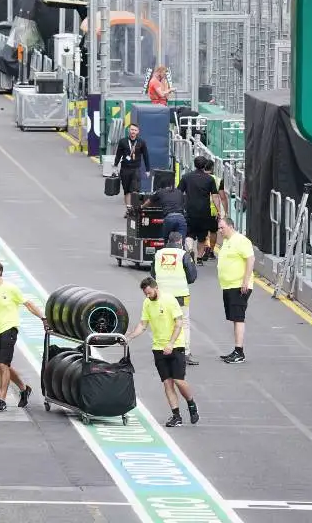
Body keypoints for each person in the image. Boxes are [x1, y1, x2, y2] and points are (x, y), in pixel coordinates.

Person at [0, 260, 47, 413]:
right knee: (5, 365)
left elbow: (28, 304)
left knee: (2, 366)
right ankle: (24, 389)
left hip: (9, 329)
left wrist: (43, 318)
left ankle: (2, 400)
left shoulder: (11, 289)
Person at [125, 276, 199, 427]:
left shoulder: (170, 300)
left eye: (149, 293)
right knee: (167, 383)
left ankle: (191, 404)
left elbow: (179, 323)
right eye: (145, 294)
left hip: (175, 346)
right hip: (158, 348)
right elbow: (143, 324)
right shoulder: (147, 303)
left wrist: (171, 343)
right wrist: (129, 337)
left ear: (155, 288)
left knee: (178, 380)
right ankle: (176, 415)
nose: (148, 296)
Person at [151, 232, 198, 365]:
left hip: (163, 295)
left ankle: (164, 350)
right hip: (181, 295)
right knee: (184, 323)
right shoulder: (183, 254)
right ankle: (186, 352)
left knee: (165, 321)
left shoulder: (158, 254)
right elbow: (192, 276)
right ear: (180, 241)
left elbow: (153, 273)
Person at [216, 217, 255, 364]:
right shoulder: (226, 241)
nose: (220, 231)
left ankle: (239, 352)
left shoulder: (241, 240)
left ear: (231, 226)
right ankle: (236, 350)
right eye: (219, 228)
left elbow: (250, 260)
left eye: (222, 228)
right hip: (228, 286)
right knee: (234, 317)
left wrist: (245, 281)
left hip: (238, 285)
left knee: (238, 317)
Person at [178, 156, 218, 261]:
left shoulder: (186, 177)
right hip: (204, 212)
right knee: (202, 237)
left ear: (194, 164)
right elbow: (215, 196)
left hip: (190, 210)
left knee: (189, 234)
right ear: (205, 165)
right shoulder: (210, 179)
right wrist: (219, 211)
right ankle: (199, 258)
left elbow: (179, 193)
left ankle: (190, 250)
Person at [113, 124, 150, 215]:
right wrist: (115, 166)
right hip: (125, 169)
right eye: (132, 130)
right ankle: (128, 209)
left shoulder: (141, 142)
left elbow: (146, 156)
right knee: (127, 191)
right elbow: (118, 155)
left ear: (138, 132)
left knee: (134, 190)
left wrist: (147, 170)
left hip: (136, 169)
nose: (133, 132)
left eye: (135, 130)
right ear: (129, 130)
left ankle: (134, 209)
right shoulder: (123, 142)